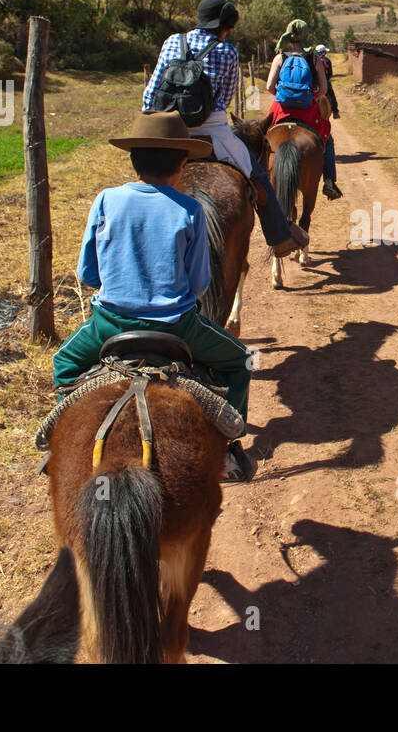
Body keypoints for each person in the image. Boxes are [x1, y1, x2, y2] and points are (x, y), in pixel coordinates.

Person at [52, 112, 257, 482]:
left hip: (107, 324)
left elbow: (88, 275)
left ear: (133, 160)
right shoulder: (190, 210)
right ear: (183, 165)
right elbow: (198, 285)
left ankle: (62, 442)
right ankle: (230, 445)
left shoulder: (105, 200)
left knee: (63, 363)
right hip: (177, 326)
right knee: (241, 361)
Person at [143, 0, 309, 256]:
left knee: (144, 176)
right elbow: (225, 99)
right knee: (258, 176)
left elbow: (150, 93)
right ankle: (279, 236)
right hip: (213, 132)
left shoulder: (172, 41)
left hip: (169, 130)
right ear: (224, 25)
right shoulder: (228, 51)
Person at [265, 20, 343, 200]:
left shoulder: (280, 57)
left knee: (263, 138)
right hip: (307, 111)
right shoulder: (314, 58)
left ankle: (256, 179)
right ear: (306, 36)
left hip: (281, 110)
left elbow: (270, 87)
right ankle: (329, 182)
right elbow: (323, 90)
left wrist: (283, 96)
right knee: (328, 140)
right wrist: (310, 98)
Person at [314, 44, 341, 119]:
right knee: (331, 95)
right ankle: (335, 112)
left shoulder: (312, 59)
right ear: (323, 52)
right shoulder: (326, 60)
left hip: (313, 83)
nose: (326, 53)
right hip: (324, 82)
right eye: (325, 51)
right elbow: (330, 74)